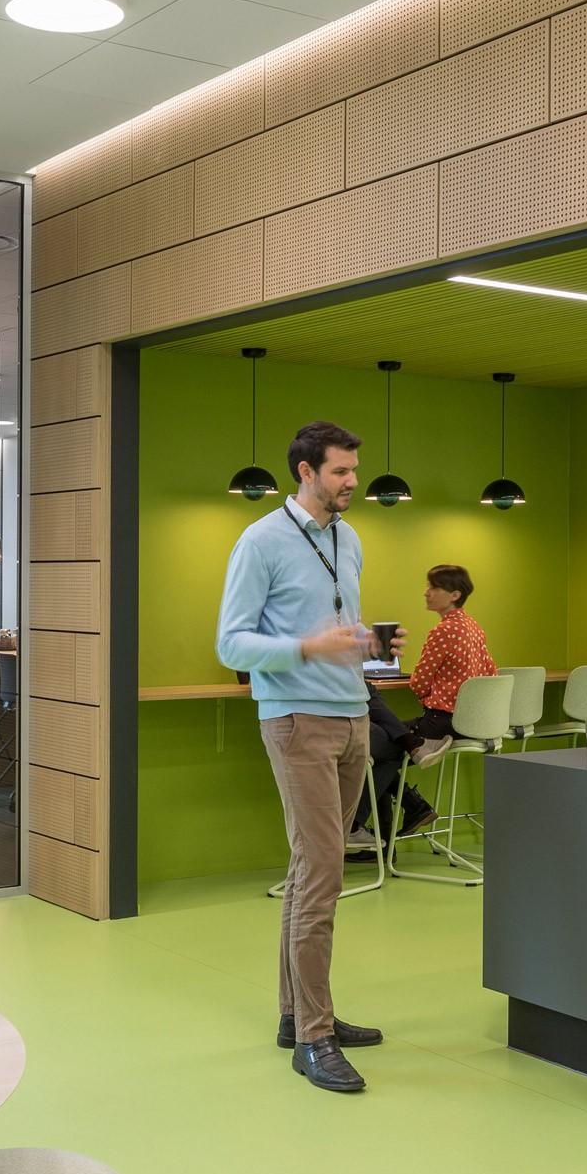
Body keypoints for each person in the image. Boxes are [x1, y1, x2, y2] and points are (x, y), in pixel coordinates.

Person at [215, 420, 386, 1097]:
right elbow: (231, 644)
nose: (352, 482)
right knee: (322, 874)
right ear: (306, 472)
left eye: (354, 470)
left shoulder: (349, 537)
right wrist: (306, 648)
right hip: (296, 720)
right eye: (340, 471)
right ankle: (316, 1037)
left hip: (351, 715)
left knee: (311, 869)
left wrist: (363, 643)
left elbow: (334, 622)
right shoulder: (260, 541)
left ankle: (298, 1016)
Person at [405, 564, 496, 764]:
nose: (426, 593)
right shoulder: (474, 627)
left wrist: (429, 697)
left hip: (442, 724)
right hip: (471, 721)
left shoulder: (444, 630)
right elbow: (491, 672)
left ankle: (396, 787)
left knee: (387, 740)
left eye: (434, 587)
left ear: (455, 595)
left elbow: (418, 683)